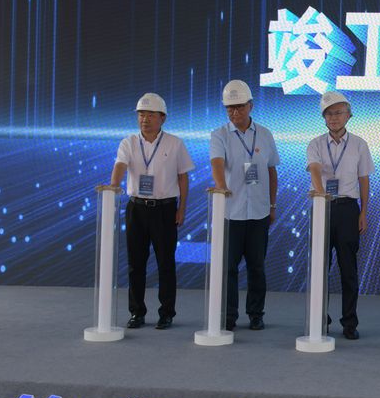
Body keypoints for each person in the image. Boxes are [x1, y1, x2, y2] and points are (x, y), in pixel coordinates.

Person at [110, 93, 194, 330]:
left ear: (162, 118)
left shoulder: (175, 143)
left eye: (150, 115)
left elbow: (183, 177)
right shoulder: (128, 142)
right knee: (135, 264)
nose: (144, 119)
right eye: (141, 115)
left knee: (166, 263)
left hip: (165, 210)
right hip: (136, 209)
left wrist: (182, 209)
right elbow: (120, 165)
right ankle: (136, 312)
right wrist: (113, 185)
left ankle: (166, 313)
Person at [209, 80, 279, 331]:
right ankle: (228, 315)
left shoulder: (265, 134)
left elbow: (271, 171)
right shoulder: (219, 135)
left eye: (239, 106)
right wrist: (221, 187)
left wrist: (272, 205)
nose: (234, 112)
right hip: (231, 212)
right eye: (229, 108)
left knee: (256, 267)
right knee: (228, 268)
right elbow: (217, 163)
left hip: (259, 212)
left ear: (251, 106)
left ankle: (256, 314)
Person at [306, 91, 374, 340]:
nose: (333, 118)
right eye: (328, 114)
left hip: (347, 209)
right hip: (322, 207)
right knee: (319, 268)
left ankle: (349, 322)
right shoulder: (315, 143)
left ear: (348, 115)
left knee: (348, 269)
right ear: (323, 117)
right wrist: (321, 193)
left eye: (338, 113)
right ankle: (319, 319)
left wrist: (363, 211)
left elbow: (363, 179)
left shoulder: (359, 144)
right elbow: (314, 168)